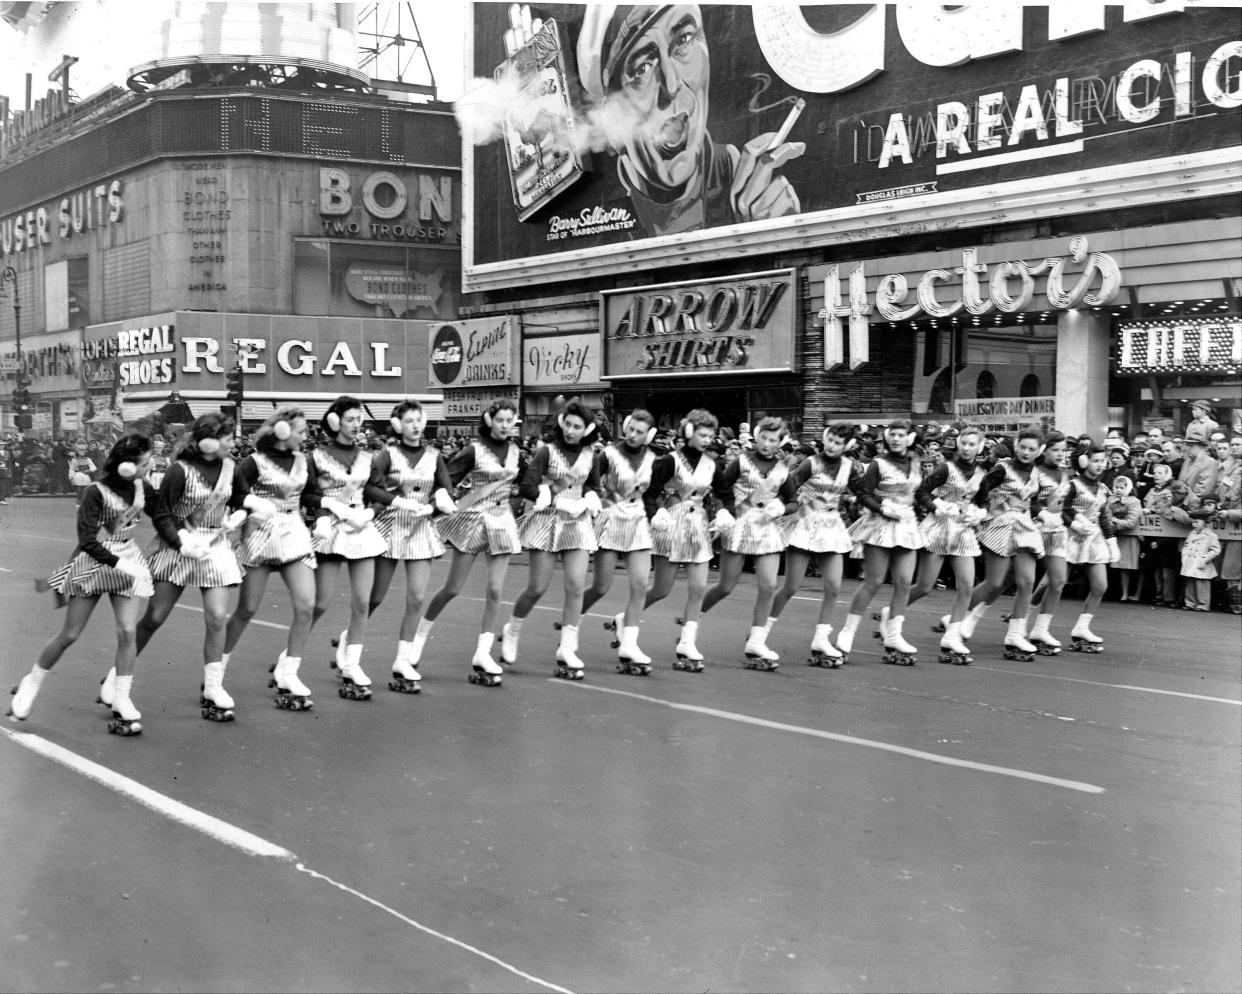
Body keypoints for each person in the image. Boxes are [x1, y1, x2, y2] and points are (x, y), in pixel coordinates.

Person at [574, 4, 804, 237]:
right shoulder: (612, 227)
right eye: (642, 67)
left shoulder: (752, 188)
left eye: (683, 40)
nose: (672, 85)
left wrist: (780, 237)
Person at [10, 433, 154, 734]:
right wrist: (118, 562)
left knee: (128, 631)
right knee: (71, 633)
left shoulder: (143, 487)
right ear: (127, 466)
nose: (149, 466)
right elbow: (87, 540)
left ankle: (122, 697)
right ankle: (31, 683)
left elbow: (163, 513)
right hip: (95, 563)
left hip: (128, 560)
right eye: (144, 462)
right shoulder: (95, 492)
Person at [118, 413, 245, 721]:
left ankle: (213, 687)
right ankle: (116, 680)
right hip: (180, 544)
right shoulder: (180, 470)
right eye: (228, 438)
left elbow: (243, 498)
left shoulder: (231, 468)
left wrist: (237, 517)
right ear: (209, 441)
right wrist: (183, 543)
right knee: (155, 617)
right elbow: (162, 515)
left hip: (215, 546)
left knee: (217, 616)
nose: (234, 443)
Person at [418, 399, 523, 687]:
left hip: (502, 521)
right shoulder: (474, 450)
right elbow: (446, 478)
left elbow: (523, 481)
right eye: (500, 420)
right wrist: (442, 497)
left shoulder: (515, 451)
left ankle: (483, 652)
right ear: (490, 420)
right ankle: (419, 638)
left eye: (509, 421)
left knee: (495, 589)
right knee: (453, 588)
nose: (505, 425)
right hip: (474, 520)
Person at [222, 406, 318, 710]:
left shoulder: (304, 461)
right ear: (282, 431)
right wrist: (250, 504)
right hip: (261, 533)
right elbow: (233, 492)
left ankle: (288, 672)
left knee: (306, 605)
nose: (306, 436)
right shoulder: (254, 462)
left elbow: (312, 494)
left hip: (294, 534)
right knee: (247, 609)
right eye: (301, 431)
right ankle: (216, 670)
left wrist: (328, 510)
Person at [499, 400, 602, 680]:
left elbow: (593, 485)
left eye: (577, 427)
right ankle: (512, 629)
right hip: (548, 521)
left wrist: (591, 497)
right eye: (567, 424)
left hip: (577, 522)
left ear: (587, 430)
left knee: (576, 586)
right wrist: (550, 498)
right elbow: (527, 486)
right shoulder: (547, 451)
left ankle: (567, 648)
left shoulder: (590, 454)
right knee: (537, 588)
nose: (570, 430)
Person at [363, 400, 455, 694]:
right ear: (397, 425)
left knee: (416, 598)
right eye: (409, 420)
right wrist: (396, 501)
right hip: (390, 526)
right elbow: (369, 486)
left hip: (420, 529)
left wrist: (432, 509)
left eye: (419, 420)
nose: (415, 425)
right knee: (375, 597)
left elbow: (445, 492)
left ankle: (403, 659)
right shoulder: (386, 455)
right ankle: (349, 646)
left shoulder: (434, 456)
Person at [304, 396, 389, 701]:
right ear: (335, 421)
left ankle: (351, 663)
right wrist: (326, 508)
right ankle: (290, 659)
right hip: (331, 528)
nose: (357, 425)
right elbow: (308, 495)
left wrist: (369, 513)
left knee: (362, 603)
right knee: (319, 603)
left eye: (359, 420)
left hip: (360, 529)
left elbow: (379, 494)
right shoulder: (316, 457)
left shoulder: (368, 458)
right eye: (351, 419)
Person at [699, 416, 797, 669]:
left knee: (768, 586)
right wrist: (721, 511)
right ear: (757, 436)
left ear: (780, 442)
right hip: (740, 525)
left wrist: (782, 507)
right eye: (763, 438)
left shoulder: (783, 469)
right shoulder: (741, 461)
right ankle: (692, 618)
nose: (766, 444)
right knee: (725, 587)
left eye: (772, 440)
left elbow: (794, 501)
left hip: (767, 528)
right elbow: (720, 489)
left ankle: (756, 640)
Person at [766, 423, 862, 666]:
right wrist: (782, 506)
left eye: (838, 443)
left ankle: (821, 639)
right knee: (791, 587)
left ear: (847, 446)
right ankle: (760, 632)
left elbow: (863, 490)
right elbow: (789, 486)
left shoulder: (850, 467)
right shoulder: (811, 463)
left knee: (833, 587)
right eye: (830, 440)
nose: (832, 445)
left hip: (832, 526)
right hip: (805, 523)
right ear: (824, 438)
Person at [836, 419, 925, 665]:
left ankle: (894, 634)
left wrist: (929, 507)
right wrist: (884, 508)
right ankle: (848, 631)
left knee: (905, 582)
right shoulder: (878, 464)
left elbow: (920, 493)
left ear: (910, 438)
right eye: (892, 434)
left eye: (901, 435)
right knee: (873, 581)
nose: (896, 439)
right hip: (881, 524)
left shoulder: (916, 463)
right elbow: (863, 493)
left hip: (907, 525)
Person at [641, 408, 724, 670]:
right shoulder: (670, 461)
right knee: (661, 590)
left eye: (711, 435)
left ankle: (687, 641)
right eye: (702, 434)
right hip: (671, 525)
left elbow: (724, 492)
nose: (707, 439)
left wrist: (722, 511)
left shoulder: (712, 464)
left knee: (698, 587)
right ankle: (627, 619)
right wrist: (656, 513)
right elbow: (650, 491)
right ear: (689, 432)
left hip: (697, 526)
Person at [580, 409, 659, 673]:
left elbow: (652, 493)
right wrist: (593, 499)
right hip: (612, 518)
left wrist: (657, 514)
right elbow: (589, 482)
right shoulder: (609, 454)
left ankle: (629, 642)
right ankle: (572, 618)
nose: (634, 435)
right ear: (625, 428)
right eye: (631, 429)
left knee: (640, 584)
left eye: (640, 431)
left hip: (638, 522)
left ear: (649, 435)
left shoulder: (652, 457)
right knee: (601, 586)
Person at [959, 427, 1048, 659]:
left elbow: (1033, 501)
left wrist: (1043, 514)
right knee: (995, 582)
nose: (1026, 452)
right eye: (1023, 447)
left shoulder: (1037, 473)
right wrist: (980, 511)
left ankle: (1016, 633)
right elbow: (980, 490)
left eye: (1032, 449)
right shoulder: (1003, 468)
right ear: (1016, 445)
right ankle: (957, 617)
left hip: (1025, 527)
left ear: (1040, 450)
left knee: (1027, 581)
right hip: (1000, 523)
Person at [910, 425, 989, 665]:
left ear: (980, 447)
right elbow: (921, 492)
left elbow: (983, 501)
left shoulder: (981, 474)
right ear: (958, 444)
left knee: (966, 585)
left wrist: (980, 513)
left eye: (972, 444)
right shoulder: (946, 468)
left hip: (963, 530)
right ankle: (891, 616)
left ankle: (952, 635)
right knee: (924, 585)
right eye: (963, 443)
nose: (967, 448)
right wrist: (936, 505)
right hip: (939, 527)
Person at [1061, 442, 1121, 650]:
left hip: (1093, 539)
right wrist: (1074, 525)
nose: (1099, 465)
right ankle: (1024, 621)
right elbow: (1062, 510)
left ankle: (1081, 627)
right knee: (1052, 584)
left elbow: (1104, 518)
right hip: (1070, 537)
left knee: (1100, 586)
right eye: (1095, 461)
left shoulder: (1103, 488)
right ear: (1083, 462)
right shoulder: (1072, 485)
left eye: (1102, 461)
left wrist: (1111, 541)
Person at [1021, 432, 1073, 655]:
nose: (1060, 454)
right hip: (1032, 529)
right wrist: (1042, 513)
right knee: (1010, 580)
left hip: (1056, 531)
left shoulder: (1066, 474)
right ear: (1044, 450)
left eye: (1063, 450)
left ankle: (1040, 629)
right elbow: (1025, 502)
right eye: (1055, 450)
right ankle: (1017, 624)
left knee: (1059, 579)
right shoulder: (1034, 472)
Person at [1142, 462, 1191, 607]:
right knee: (1156, 567)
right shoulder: (1150, 491)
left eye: (1160, 473)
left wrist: (1152, 511)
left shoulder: (1170, 492)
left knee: (1167, 569)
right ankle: (1159, 594)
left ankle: (1168, 596)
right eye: (1155, 472)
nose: (1156, 475)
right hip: (1152, 532)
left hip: (1167, 535)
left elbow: (1167, 511)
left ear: (1167, 475)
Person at [1107, 474, 1143, 602]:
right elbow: (1106, 517)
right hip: (1119, 536)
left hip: (1131, 537)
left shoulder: (1134, 501)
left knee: (1133, 567)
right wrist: (1112, 523)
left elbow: (1131, 522)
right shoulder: (1110, 500)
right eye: (1116, 487)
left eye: (1121, 487)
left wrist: (1115, 521)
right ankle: (1124, 593)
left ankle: (1137, 594)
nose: (1118, 490)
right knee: (1122, 567)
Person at [1180, 509, 1220, 612]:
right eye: (1193, 522)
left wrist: (1204, 559)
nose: (1194, 524)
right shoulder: (1191, 534)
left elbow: (1215, 550)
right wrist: (1185, 556)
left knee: (1201, 583)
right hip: (1190, 561)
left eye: (1196, 522)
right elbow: (1186, 546)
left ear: (1204, 522)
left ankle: (1203, 604)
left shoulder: (1211, 535)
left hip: (1201, 563)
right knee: (1190, 582)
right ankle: (1190, 602)